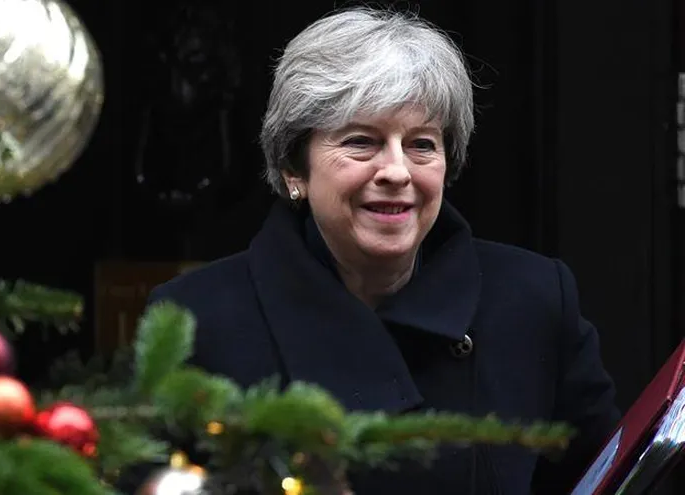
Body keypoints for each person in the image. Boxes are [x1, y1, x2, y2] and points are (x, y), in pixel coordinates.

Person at [147, 6, 620, 494]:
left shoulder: (534, 298)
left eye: (421, 144)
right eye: (361, 142)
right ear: (295, 170)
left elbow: (608, 480)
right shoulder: (194, 319)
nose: (397, 171)